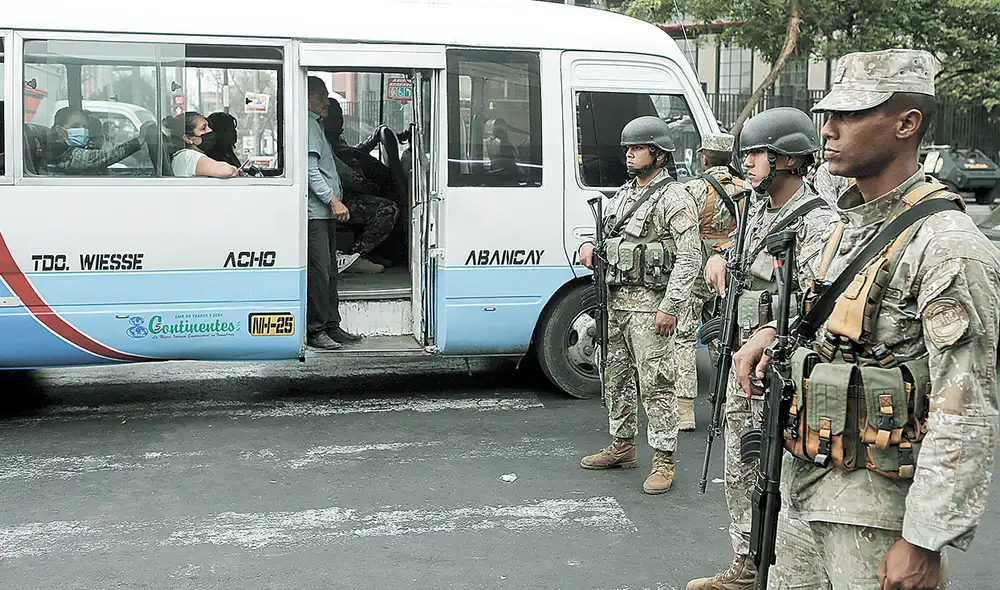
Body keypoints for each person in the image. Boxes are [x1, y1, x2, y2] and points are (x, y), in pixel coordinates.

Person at [733, 49, 1000, 589]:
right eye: (827, 114)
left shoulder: (947, 246)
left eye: (851, 115)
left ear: (907, 124)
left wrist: (925, 540)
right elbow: (828, 319)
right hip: (803, 483)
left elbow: (965, 407)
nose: (827, 130)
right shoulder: (843, 225)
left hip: (876, 511)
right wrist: (770, 334)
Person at [686, 108, 836, 590]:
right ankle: (746, 564)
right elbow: (741, 260)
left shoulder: (817, 222)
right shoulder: (755, 209)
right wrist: (716, 259)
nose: (746, 162)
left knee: (786, 481)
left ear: (789, 159)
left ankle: (791, 574)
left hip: (784, 369)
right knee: (741, 469)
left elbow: (818, 303)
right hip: (741, 362)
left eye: (757, 153)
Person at [577, 116, 702, 495]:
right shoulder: (626, 194)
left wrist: (671, 306)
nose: (629, 154)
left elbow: (689, 256)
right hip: (616, 304)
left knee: (656, 383)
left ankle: (664, 459)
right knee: (615, 379)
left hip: (652, 308)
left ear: (659, 155)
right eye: (627, 149)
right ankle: (623, 445)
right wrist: (587, 247)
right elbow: (610, 236)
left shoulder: (674, 198)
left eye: (637, 148)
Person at [674, 133, 744, 431]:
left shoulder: (691, 189)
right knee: (724, 337)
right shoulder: (747, 189)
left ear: (704, 158)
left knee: (684, 339)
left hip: (695, 274)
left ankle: (685, 410)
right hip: (728, 274)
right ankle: (727, 403)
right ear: (730, 158)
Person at [305, 76, 362, 350]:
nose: (326, 102)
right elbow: (310, 171)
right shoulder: (307, 124)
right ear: (307, 98)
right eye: (321, 96)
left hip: (323, 213)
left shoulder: (316, 125)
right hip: (316, 212)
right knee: (319, 273)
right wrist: (332, 201)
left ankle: (331, 325)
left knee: (329, 273)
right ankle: (316, 331)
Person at [323, 98, 402, 273]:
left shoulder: (336, 139)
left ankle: (370, 251)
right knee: (388, 209)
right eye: (335, 116)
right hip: (340, 198)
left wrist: (374, 139)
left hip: (346, 193)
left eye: (340, 115)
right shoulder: (325, 140)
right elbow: (344, 174)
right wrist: (368, 186)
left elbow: (354, 153)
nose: (341, 120)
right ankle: (354, 256)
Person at [45, 107, 152, 175]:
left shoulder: (72, 149)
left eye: (85, 127)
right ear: (60, 130)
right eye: (76, 126)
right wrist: (140, 139)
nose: (82, 130)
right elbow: (105, 157)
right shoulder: (58, 152)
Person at [168, 112, 239, 178]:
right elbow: (227, 171)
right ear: (188, 139)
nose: (210, 130)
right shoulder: (189, 157)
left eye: (208, 126)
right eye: (203, 128)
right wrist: (235, 169)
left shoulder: (180, 157)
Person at [204, 111, 263, 176]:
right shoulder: (214, 159)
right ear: (219, 132)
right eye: (231, 128)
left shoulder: (227, 152)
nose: (235, 132)